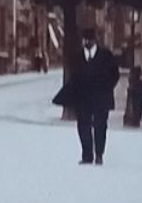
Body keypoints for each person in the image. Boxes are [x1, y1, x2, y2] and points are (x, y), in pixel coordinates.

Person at [52, 26, 122, 164]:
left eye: (90, 40)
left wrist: (107, 88)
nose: (87, 42)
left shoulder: (106, 56)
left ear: (95, 41)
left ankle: (99, 154)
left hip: (101, 98)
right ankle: (87, 155)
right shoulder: (77, 57)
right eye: (85, 40)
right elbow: (73, 77)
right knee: (83, 126)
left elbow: (115, 75)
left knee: (100, 125)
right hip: (83, 98)